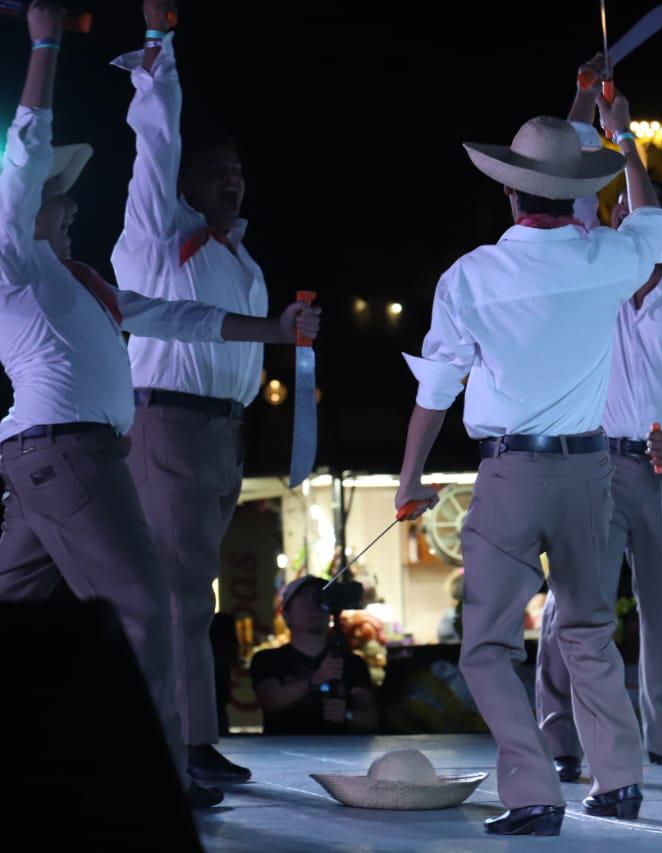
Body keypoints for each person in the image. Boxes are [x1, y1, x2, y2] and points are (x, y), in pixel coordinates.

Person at [0, 1, 321, 811]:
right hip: (69, 452)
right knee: (144, 603)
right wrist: (46, 46)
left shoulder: (84, 281)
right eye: (57, 196)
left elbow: (182, 317)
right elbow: (28, 145)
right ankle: (151, 775)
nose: (74, 204)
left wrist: (276, 330)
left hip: (59, 459)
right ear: (25, 208)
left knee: (17, 602)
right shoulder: (15, 265)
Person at [392, 85, 662, 836]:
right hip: (588, 472)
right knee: (587, 629)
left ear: (509, 191)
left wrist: (411, 477)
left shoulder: (470, 276)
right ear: (578, 192)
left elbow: (436, 390)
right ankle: (620, 781)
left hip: (511, 474)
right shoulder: (607, 258)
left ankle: (534, 789)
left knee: (486, 646)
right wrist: (623, 138)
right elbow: (656, 230)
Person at [535, 56, 662, 782]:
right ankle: (558, 735)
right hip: (593, 460)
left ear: (659, 229)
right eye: (614, 212)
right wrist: (586, 102)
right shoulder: (595, 268)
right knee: (574, 601)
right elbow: (557, 174)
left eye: (632, 212)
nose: (615, 220)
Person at [107, 0, 272, 789]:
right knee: (176, 591)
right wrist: (158, 46)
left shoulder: (241, 258)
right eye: (217, 172)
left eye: (238, 172)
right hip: (167, 423)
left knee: (187, 592)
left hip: (219, 434)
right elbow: (156, 145)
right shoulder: (157, 233)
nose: (232, 180)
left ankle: (185, 740)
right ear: (182, 186)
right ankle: (181, 744)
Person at [249, 576, 378, 734]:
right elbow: (271, 701)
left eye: (319, 599)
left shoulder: (352, 663)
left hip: (338, 748)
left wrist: (347, 715)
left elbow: (370, 717)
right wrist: (315, 679)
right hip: (284, 749)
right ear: (286, 615)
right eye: (304, 600)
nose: (313, 606)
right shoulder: (268, 660)